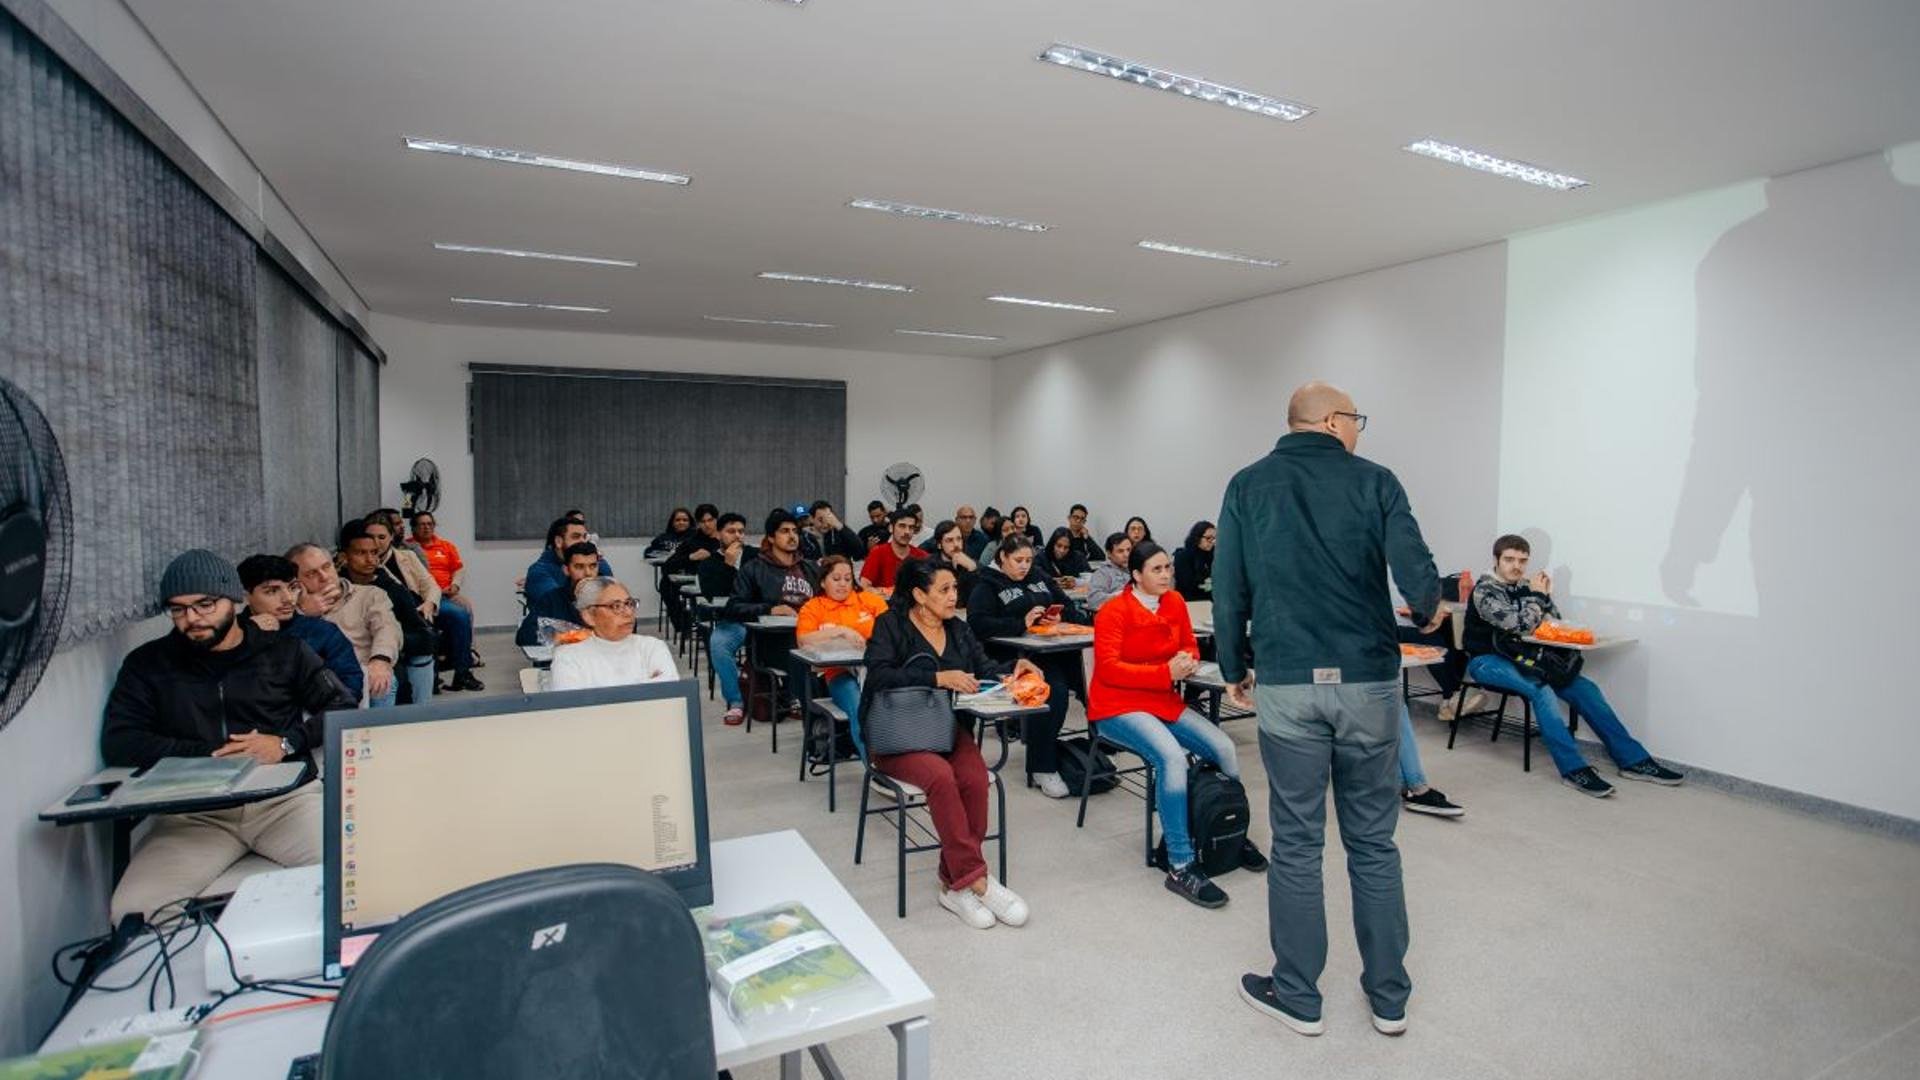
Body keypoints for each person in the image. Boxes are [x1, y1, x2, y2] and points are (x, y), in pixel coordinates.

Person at [1213, 380, 1445, 1039]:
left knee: (1297, 841)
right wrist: (1429, 607)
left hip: (1288, 681)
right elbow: (1415, 570)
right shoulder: (1376, 481)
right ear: (1332, 421)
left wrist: (1234, 668)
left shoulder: (1247, 485)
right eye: (1356, 419)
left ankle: (1298, 996)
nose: (1360, 430)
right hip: (1368, 681)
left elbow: (1229, 585)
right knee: (1373, 840)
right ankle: (1389, 998)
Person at [101, 550, 355, 920]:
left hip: (284, 802)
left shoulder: (284, 652)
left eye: (205, 604)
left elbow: (342, 707)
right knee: (133, 911)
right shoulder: (149, 664)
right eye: (178, 609)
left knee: (357, 877)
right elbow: (121, 741)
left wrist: (284, 743)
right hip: (195, 813)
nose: (192, 619)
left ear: (234, 601)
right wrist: (214, 754)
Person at [864, 558, 1042, 929]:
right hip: (897, 734)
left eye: (954, 589)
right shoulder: (890, 625)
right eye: (944, 590)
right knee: (941, 778)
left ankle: (953, 883)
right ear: (918, 594)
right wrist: (937, 677)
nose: (952, 596)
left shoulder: (958, 629)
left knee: (975, 777)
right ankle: (978, 880)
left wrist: (1015, 668)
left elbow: (983, 667)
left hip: (944, 728)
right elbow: (880, 675)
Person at [1088, 541, 1266, 907]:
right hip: (1115, 705)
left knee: (1223, 747)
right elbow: (1108, 669)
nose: (1167, 574)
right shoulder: (1113, 611)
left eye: (1168, 567)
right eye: (1157, 569)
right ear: (1135, 575)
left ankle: (1228, 832)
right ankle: (1180, 863)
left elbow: (1190, 646)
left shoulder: (1174, 603)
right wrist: (1164, 672)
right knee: (1170, 757)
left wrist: (1185, 661)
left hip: (1160, 699)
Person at [1463, 534, 1685, 797]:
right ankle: (1574, 769)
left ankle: (1633, 760)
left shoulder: (1528, 586)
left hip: (1524, 658)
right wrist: (1537, 596)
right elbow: (1520, 625)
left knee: (1585, 688)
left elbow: (1552, 623)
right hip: (1486, 661)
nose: (1517, 566)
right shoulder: (1485, 590)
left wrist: (1541, 599)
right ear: (1496, 560)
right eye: (1509, 559)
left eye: (1523, 561)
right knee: (1541, 689)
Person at [966, 533, 1088, 798]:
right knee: (1053, 692)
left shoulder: (1039, 577)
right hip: (1013, 657)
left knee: (1091, 682)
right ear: (1002, 558)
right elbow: (977, 624)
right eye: (1018, 560)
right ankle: (1041, 766)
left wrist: (1058, 617)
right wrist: (1020, 623)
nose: (1024, 566)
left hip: (1052, 648)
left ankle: (1098, 747)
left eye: (1028, 560)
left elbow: (1066, 604)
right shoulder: (986, 585)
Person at [724, 509, 821, 719]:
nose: (792, 535)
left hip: (811, 634)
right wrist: (770, 609)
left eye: (795, 530)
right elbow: (733, 608)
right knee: (801, 654)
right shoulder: (754, 569)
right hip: (773, 642)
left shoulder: (810, 568)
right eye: (785, 531)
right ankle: (811, 712)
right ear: (771, 537)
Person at [367, 514, 480, 692]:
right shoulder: (366, 564)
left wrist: (430, 603)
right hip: (394, 610)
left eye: (381, 537)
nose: (376, 542)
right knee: (423, 626)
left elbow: (430, 584)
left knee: (459, 614)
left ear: (390, 537)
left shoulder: (409, 555)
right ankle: (430, 677)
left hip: (425, 601)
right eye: (371, 538)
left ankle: (463, 671)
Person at [237, 553, 364, 702]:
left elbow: (350, 687)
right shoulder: (231, 632)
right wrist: (251, 632)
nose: (288, 599)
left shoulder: (322, 632)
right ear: (245, 596)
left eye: (292, 588)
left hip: (308, 719)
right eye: (272, 591)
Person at [339, 519, 439, 703]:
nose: (370, 560)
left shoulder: (389, 585)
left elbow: (405, 625)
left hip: (388, 646)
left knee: (392, 676)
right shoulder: (335, 586)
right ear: (344, 557)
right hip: (351, 648)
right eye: (362, 553)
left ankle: (420, 713)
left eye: (374, 553)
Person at [288, 541, 400, 707]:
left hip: (361, 673)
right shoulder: (288, 608)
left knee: (383, 682)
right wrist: (304, 613)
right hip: (310, 682)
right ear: (296, 582)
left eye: (326, 567)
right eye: (311, 574)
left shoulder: (368, 595)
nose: (324, 577)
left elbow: (386, 628)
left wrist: (380, 660)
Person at [795, 556, 890, 748]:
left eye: (848, 579)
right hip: (837, 674)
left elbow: (891, 631)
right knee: (858, 706)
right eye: (836, 579)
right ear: (823, 581)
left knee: (895, 702)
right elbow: (803, 641)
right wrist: (840, 631)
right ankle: (873, 768)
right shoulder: (813, 607)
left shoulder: (869, 601)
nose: (843, 584)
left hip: (875, 669)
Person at [549, 577, 679, 690]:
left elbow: (670, 693)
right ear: (589, 616)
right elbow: (572, 708)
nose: (628, 613)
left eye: (629, 603)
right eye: (615, 606)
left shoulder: (652, 647)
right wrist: (645, 684)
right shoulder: (569, 657)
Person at [701, 513, 753, 725]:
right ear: (719, 534)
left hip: (760, 618)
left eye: (741, 531)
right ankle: (736, 702)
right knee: (718, 644)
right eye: (731, 531)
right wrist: (728, 565)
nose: (737, 536)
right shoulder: (710, 564)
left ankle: (790, 696)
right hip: (732, 621)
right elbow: (713, 594)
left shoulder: (756, 556)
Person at [516, 541, 601, 646]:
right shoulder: (552, 599)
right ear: (566, 570)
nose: (588, 573)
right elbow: (525, 636)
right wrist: (568, 637)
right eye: (579, 567)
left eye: (593, 566)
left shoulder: (609, 597)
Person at [527, 517, 611, 602]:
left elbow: (611, 594)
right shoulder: (539, 572)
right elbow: (559, 605)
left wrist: (597, 560)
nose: (582, 542)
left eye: (584, 537)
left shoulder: (596, 561)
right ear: (559, 541)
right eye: (576, 537)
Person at [409, 512, 471, 616]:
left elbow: (458, 569)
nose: (426, 527)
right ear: (414, 528)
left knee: (465, 606)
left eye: (430, 524)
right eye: (422, 524)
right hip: (421, 594)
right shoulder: (407, 547)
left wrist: (455, 585)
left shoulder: (447, 546)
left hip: (447, 593)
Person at [860, 509, 929, 589]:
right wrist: (886, 593)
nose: (907, 531)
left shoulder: (922, 556)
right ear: (891, 528)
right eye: (902, 526)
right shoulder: (878, 553)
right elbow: (864, 586)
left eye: (911, 527)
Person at [929, 519, 981, 600]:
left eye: (959, 539)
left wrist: (972, 569)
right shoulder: (929, 565)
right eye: (950, 540)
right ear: (939, 544)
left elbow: (980, 596)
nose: (956, 544)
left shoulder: (973, 564)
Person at [1086, 532, 1133, 612]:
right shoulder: (1103, 573)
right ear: (1109, 554)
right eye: (1120, 551)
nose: (1126, 555)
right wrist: (1123, 596)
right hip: (1117, 617)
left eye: (1129, 550)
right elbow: (1093, 600)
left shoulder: (1138, 570)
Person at [1174, 520, 1216, 603]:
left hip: (1212, 599)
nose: (1212, 542)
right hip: (1191, 599)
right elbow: (1186, 584)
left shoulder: (1215, 555)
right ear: (1197, 538)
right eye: (1208, 538)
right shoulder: (1183, 556)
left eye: (1214, 538)